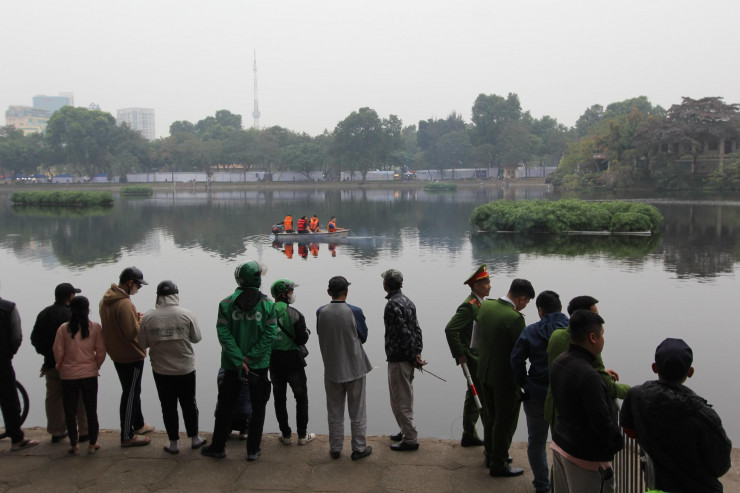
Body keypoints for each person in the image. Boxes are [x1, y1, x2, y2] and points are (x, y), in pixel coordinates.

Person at [620, 338, 732, 492]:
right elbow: (721, 466)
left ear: (654, 367)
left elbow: (629, 430)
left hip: (657, 487)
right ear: (690, 372)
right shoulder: (704, 415)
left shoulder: (636, 396)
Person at [201, 261, 277, 461]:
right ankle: (253, 450)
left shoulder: (226, 304)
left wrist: (238, 359)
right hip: (259, 366)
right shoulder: (268, 305)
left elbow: (223, 334)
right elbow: (270, 335)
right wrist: (251, 358)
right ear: (257, 279)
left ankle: (218, 447)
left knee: (226, 405)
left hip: (231, 365)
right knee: (258, 407)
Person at [550, 310, 623, 493]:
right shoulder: (589, 376)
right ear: (593, 338)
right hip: (585, 458)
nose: (603, 339)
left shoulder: (560, 362)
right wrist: (617, 442)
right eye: (602, 335)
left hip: (561, 444)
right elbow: (601, 421)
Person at [510, 290, 569, 493]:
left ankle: (542, 486)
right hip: (564, 395)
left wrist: (523, 382)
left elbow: (516, 360)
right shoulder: (572, 330)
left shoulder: (531, 331)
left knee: (536, 441)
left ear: (540, 311)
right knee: (563, 444)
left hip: (536, 393)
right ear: (560, 308)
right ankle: (562, 485)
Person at [475, 278, 535, 477]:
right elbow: (521, 351)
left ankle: (490, 454)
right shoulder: (514, 318)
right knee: (505, 420)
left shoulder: (486, 306)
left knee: (490, 416)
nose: (525, 306)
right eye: (526, 302)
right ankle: (499, 464)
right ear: (521, 298)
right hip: (504, 377)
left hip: (484, 371)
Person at [139, 280, 207, 455]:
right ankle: (195, 438)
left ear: (158, 297)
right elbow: (196, 338)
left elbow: (142, 343)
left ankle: (173, 443)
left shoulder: (148, 317)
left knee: (168, 406)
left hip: (161, 370)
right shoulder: (187, 314)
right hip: (185, 368)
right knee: (189, 403)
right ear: (176, 295)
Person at [544, 296, 629, 428]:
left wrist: (597, 372)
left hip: (555, 407)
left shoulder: (556, 336)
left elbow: (569, 369)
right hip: (575, 415)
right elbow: (608, 386)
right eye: (595, 314)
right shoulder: (590, 346)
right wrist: (633, 391)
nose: (598, 318)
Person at [316, 276, 373, 460]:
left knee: (334, 411)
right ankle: (358, 448)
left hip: (332, 369)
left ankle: (335, 448)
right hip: (354, 368)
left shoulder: (320, 312)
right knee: (357, 412)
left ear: (328, 292)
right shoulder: (354, 311)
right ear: (346, 292)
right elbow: (363, 336)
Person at [99, 266, 154, 447]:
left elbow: (117, 324)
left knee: (132, 391)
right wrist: (140, 320)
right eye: (138, 285)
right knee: (130, 394)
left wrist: (133, 317)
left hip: (116, 353)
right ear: (130, 282)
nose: (138, 289)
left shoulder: (106, 300)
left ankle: (138, 424)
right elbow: (132, 332)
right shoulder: (125, 303)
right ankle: (126, 435)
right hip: (131, 355)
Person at [31, 282, 88, 444]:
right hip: (71, 365)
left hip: (50, 364)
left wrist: (48, 355)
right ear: (70, 297)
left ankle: (57, 431)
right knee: (79, 397)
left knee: (54, 398)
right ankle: (84, 431)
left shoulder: (44, 314)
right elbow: (78, 342)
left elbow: (35, 340)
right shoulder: (71, 316)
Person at [53, 296, 106, 455]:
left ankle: (74, 444)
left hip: (68, 375)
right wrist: (95, 365)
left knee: (70, 410)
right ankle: (92, 443)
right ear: (87, 309)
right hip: (89, 374)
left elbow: (58, 351)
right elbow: (101, 351)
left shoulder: (64, 328)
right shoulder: (94, 327)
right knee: (91, 409)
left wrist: (60, 366)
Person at [444, 264, 489, 448]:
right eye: (485, 282)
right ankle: (479, 436)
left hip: (479, 356)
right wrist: (461, 354)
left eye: (488, 281)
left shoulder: (480, 303)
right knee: (480, 396)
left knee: (473, 395)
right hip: (473, 358)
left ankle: (469, 434)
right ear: (476, 286)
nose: (489, 285)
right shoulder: (469, 306)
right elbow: (450, 329)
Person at [382, 269, 426, 451]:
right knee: (404, 397)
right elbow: (416, 330)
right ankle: (404, 429)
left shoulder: (392, 305)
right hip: (408, 357)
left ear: (386, 285)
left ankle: (410, 439)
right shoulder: (408, 302)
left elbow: (403, 333)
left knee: (400, 400)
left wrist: (411, 355)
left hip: (399, 358)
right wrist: (417, 353)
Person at [270, 278, 314, 446]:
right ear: (284, 294)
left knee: (279, 399)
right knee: (301, 397)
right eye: (290, 292)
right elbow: (302, 338)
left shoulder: (266, 312)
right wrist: (306, 333)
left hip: (273, 360)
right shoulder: (295, 314)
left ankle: (286, 434)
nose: (292, 294)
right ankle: (302, 436)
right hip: (293, 361)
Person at [0, 284, 39, 451]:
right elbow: (16, 336)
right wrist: (10, 353)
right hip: (2, 360)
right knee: (9, 400)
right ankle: (16, 438)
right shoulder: (8, 308)